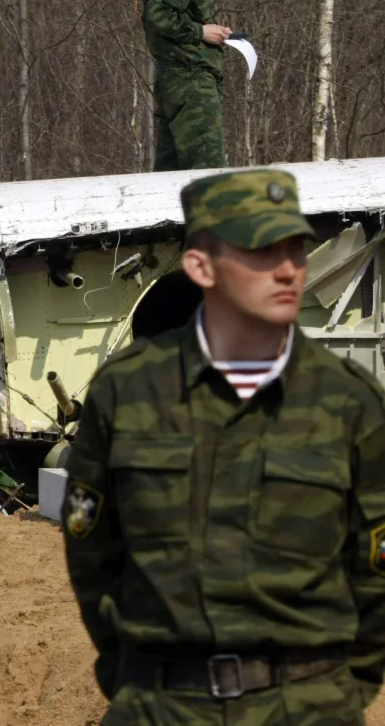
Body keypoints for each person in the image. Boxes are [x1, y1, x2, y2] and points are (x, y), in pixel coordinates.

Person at [63, 168, 385, 725]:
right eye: (261, 250)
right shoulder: (127, 392)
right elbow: (93, 553)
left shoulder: (350, 402)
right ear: (201, 266)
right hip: (162, 707)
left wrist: (337, 691)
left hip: (309, 708)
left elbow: (375, 571)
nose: (288, 269)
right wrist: (138, 679)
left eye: (295, 248)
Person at [143, 0, 254, 172]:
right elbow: (160, 13)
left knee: (169, 180)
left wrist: (209, 30)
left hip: (173, 80)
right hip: (190, 82)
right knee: (208, 176)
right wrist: (201, 33)